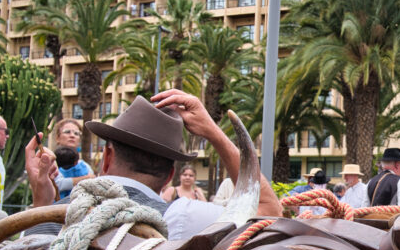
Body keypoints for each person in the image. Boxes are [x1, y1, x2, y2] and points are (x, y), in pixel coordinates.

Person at [24, 90, 281, 240]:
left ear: (107, 158)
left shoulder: (45, 219)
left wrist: (41, 203)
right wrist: (213, 132)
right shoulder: (185, 218)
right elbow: (269, 213)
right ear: (170, 175)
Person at [51, 118, 94, 194]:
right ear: (57, 138)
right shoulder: (50, 162)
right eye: (67, 132)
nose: (72, 135)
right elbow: (57, 184)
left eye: (76, 133)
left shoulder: (85, 166)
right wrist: (85, 179)